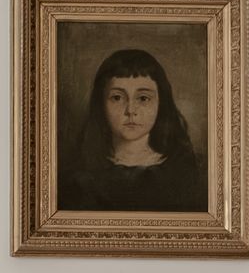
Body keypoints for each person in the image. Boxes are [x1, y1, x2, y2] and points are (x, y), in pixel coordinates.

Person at [58, 46, 205, 213]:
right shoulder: (78, 178)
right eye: (117, 97)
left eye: (143, 98)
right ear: (101, 104)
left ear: (161, 103)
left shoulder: (185, 172)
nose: (130, 110)